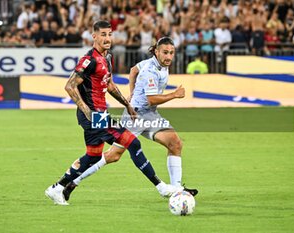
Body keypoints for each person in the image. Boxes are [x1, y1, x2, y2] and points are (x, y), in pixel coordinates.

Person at [45, 21, 179, 206]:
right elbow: (70, 86)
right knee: (133, 142)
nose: (107, 38)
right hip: (94, 116)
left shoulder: (106, 57)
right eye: (103, 34)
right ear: (94, 36)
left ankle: (58, 188)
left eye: (110, 34)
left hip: (99, 113)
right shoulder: (89, 59)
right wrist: (87, 111)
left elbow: (109, 85)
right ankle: (160, 186)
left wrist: (127, 104)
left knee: (92, 156)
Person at [61, 37, 198, 202]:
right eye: (165, 53)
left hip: (150, 115)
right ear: (156, 51)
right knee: (113, 155)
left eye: (171, 53)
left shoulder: (156, 64)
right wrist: (174, 95)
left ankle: (177, 190)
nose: (169, 56)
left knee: (175, 143)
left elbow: (133, 70)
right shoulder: (150, 70)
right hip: (137, 115)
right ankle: (72, 182)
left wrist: (131, 92)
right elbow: (151, 99)